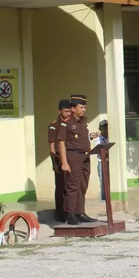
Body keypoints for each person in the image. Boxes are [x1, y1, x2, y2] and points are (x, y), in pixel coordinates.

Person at [57, 94, 97, 225]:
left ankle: (80, 212)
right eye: (81, 107)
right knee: (73, 186)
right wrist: (64, 162)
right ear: (73, 109)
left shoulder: (83, 121)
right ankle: (70, 214)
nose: (84, 110)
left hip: (85, 156)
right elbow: (61, 143)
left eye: (85, 107)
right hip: (73, 156)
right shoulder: (66, 123)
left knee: (82, 185)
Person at [47, 99, 72, 222]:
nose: (68, 113)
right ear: (59, 111)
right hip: (59, 160)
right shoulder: (54, 125)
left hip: (72, 159)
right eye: (66, 111)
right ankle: (60, 213)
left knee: (71, 187)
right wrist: (55, 162)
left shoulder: (73, 123)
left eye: (69, 111)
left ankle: (70, 211)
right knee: (61, 187)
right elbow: (52, 146)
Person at [96, 120, 109, 200]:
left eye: (107, 127)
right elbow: (100, 151)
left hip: (110, 162)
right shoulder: (98, 139)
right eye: (103, 127)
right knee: (103, 182)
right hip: (102, 162)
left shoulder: (110, 137)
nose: (106, 129)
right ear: (100, 129)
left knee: (110, 182)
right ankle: (104, 200)